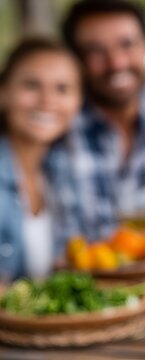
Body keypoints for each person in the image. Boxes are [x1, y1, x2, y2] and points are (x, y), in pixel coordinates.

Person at [61, 0, 145, 241]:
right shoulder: (59, 129)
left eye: (127, 44)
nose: (117, 63)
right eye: (95, 51)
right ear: (76, 60)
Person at [0, 38, 82, 280]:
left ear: (78, 102)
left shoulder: (62, 171)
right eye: (31, 85)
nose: (47, 100)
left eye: (62, 89)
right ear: (3, 93)